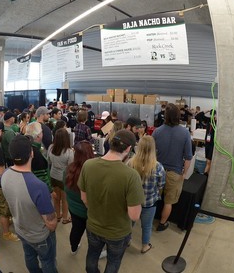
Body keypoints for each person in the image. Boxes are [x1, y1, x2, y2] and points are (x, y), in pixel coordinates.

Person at [78, 129, 144, 273]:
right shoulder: (131, 176)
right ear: (128, 149)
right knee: (113, 261)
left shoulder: (88, 165)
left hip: (93, 226)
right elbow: (134, 216)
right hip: (118, 233)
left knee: (92, 254)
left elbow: (84, 198)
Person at [1, 135, 58, 273]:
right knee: (47, 260)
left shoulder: (5, 174)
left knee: (29, 256)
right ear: (31, 153)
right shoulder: (38, 186)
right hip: (39, 235)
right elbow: (51, 224)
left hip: (20, 229)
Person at [152, 103, 192, 231]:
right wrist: (184, 174)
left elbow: (151, 153)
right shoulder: (185, 133)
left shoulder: (157, 131)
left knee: (152, 198)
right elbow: (188, 157)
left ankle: (148, 220)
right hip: (174, 173)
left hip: (157, 170)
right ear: (178, 116)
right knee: (168, 202)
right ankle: (162, 224)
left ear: (165, 115)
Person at [127, 136, 166, 253]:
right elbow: (161, 185)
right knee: (147, 226)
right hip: (149, 202)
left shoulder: (130, 163)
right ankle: (145, 246)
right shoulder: (158, 167)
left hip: (133, 201)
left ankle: (126, 240)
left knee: (130, 222)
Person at [65, 141, 95, 255]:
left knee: (76, 230)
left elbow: (66, 188)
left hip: (73, 209)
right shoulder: (92, 172)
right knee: (92, 235)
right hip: (89, 211)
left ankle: (73, 248)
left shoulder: (68, 169)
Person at [47, 128, 74, 224]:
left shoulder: (51, 147)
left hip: (53, 175)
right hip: (63, 177)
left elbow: (49, 161)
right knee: (65, 199)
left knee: (56, 197)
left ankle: (58, 215)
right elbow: (71, 167)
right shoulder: (69, 151)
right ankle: (65, 218)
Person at [25, 122, 52, 192]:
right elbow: (42, 177)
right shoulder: (35, 153)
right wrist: (50, 191)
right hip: (39, 190)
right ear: (38, 136)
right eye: (41, 132)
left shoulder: (27, 146)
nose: (43, 133)